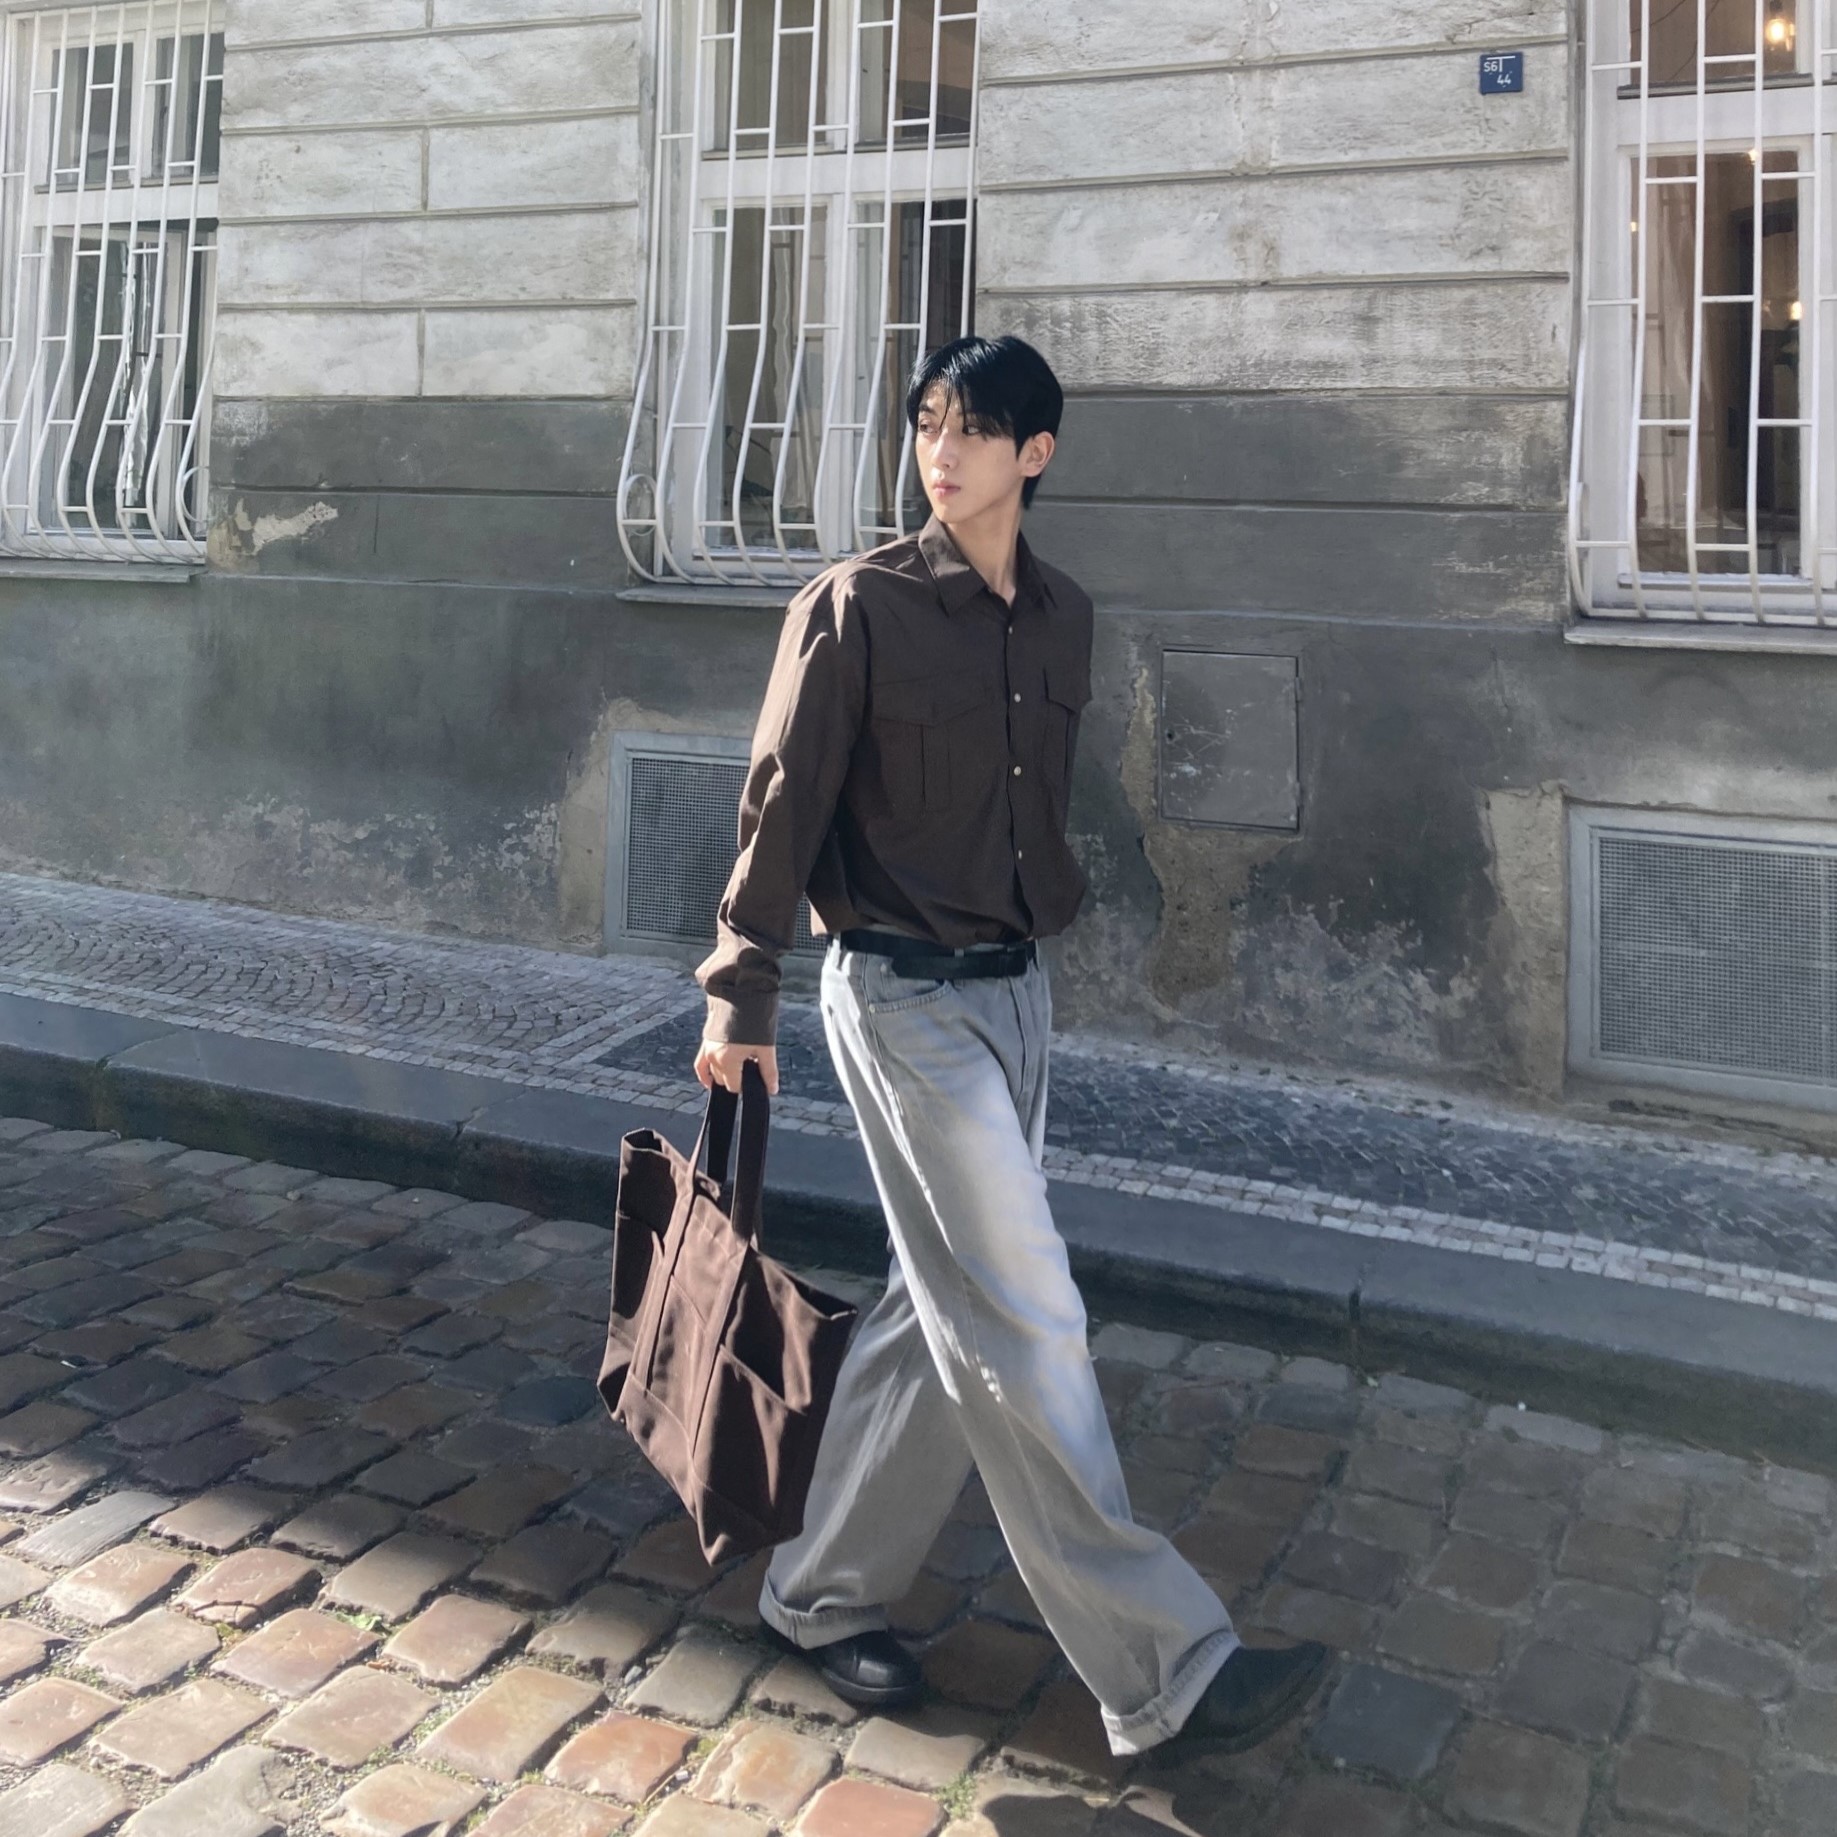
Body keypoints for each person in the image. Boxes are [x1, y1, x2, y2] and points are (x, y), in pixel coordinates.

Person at [693, 333, 1331, 1758]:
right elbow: (780, 804)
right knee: (1030, 1315)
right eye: (928, 422)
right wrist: (740, 993)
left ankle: (818, 1591)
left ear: (1035, 453)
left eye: (975, 429)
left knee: (945, 1313)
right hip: (901, 998)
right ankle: (1168, 1666)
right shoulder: (854, 607)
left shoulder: (1061, 617)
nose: (943, 450)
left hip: (1015, 995)